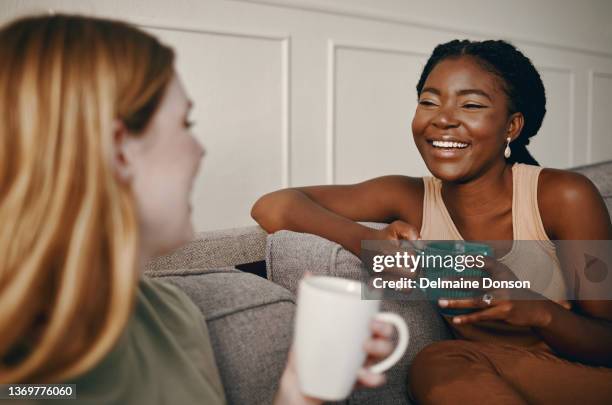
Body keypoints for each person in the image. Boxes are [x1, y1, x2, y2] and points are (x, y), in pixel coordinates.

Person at [0, 14, 396, 405]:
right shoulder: (410, 191)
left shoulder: (172, 316)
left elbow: (444, 270)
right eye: (185, 124)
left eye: (463, 103)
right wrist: (376, 245)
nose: (200, 149)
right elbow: (276, 206)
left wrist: (299, 394)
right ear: (119, 150)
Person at [252, 39, 612, 404]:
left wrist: (537, 310)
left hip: (587, 377)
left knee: (440, 363)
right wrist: (368, 244)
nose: (442, 118)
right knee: (437, 367)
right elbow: (274, 205)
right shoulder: (409, 197)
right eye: (429, 101)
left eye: (471, 105)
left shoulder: (563, 196)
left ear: (512, 126)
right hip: (496, 377)